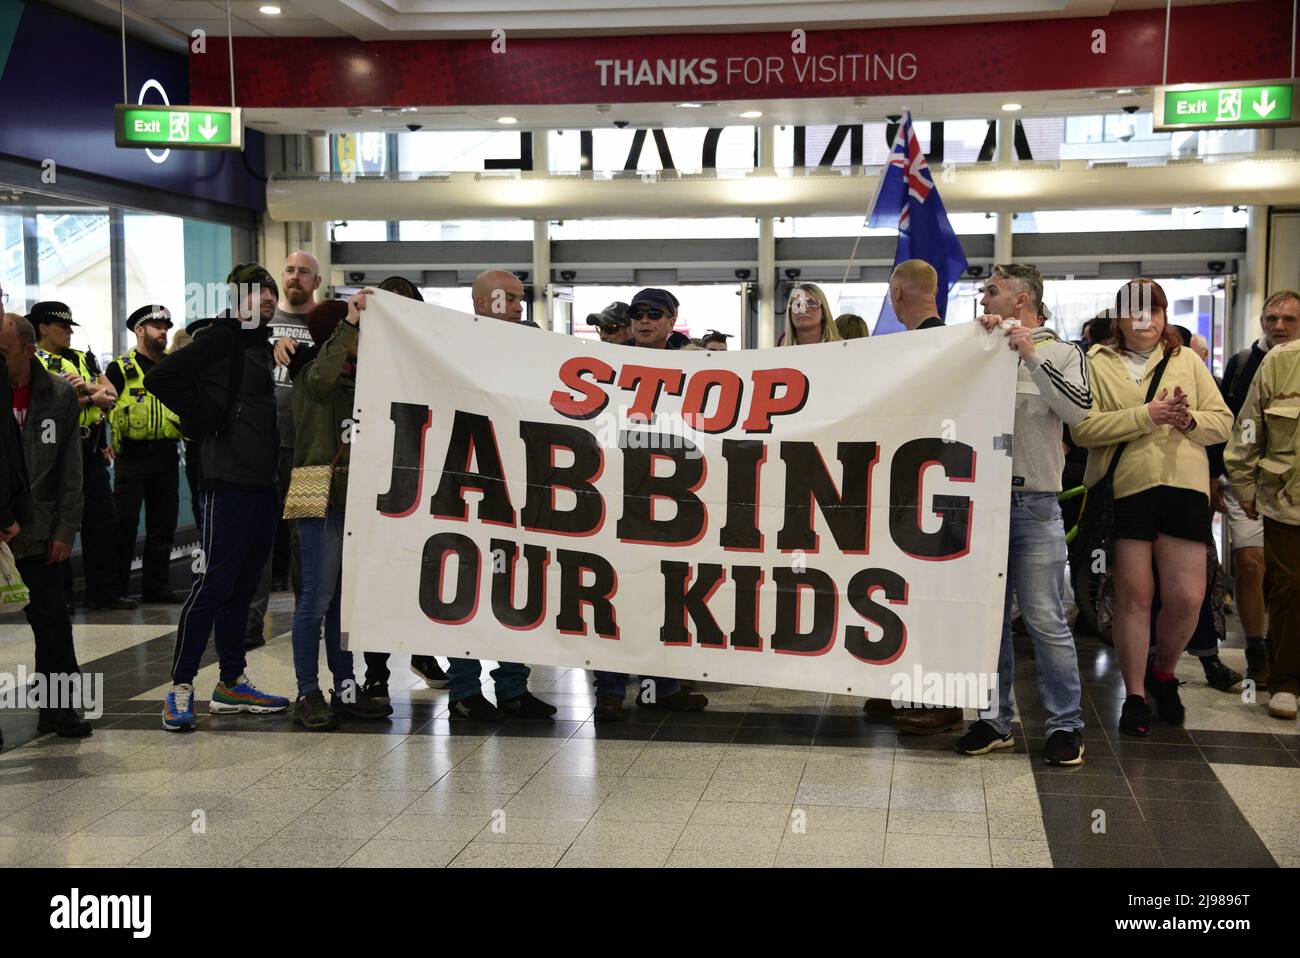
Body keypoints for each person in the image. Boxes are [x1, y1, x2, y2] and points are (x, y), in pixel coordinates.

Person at [1070, 279, 1233, 736]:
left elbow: (1223, 422)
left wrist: (1188, 419)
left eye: (1155, 312)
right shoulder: (1096, 362)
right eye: (1137, 312)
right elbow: (1084, 430)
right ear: (1119, 318)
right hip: (1127, 488)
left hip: (1184, 487)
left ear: (1164, 316)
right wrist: (1148, 416)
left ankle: (1164, 671)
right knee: (1134, 597)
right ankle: (1136, 694)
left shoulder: (1186, 360)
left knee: (1187, 598)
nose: (1147, 321)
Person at [145, 264, 290, 732]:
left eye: (270, 291)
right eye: (256, 292)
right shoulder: (220, 338)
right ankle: (181, 686)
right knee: (212, 585)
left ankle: (231, 682)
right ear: (238, 297)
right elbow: (161, 378)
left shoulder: (261, 345)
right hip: (225, 481)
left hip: (262, 483)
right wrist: (208, 416)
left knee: (242, 588)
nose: (266, 298)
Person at [959, 265, 1089, 765]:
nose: (983, 298)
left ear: (1022, 300)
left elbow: (1078, 413)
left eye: (991, 290)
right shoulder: (979, 348)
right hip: (982, 506)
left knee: (1044, 620)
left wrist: (1030, 355)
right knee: (990, 621)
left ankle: (1065, 724)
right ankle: (995, 718)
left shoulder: (1062, 352)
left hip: (1034, 505)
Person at [439, 270, 557, 721]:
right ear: (483, 301)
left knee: (515, 585)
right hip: (464, 478)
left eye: (521, 299)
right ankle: (464, 690)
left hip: (517, 478)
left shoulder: (532, 342)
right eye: (511, 299)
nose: (520, 306)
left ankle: (512, 687)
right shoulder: (448, 342)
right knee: (462, 585)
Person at [594, 287, 709, 722]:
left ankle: (659, 687)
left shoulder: (696, 367)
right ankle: (608, 688)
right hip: (620, 495)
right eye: (638, 313)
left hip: (675, 499)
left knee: (667, 599)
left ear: (671, 318)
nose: (644, 320)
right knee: (613, 595)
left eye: (654, 313)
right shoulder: (612, 365)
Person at [861, 259, 961, 734]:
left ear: (896, 294)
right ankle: (903, 688)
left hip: (931, 495)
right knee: (911, 595)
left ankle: (941, 701)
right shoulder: (952, 345)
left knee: (930, 598)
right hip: (924, 490)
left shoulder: (928, 347)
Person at [288, 295, 390, 729]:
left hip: (355, 491)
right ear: (338, 333)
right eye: (356, 331)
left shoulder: (363, 376)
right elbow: (323, 379)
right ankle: (307, 692)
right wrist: (349, 321)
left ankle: (345, 688)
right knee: (317, 597)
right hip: (316, 488)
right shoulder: (311, 372)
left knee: (345, 604)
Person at [0, 312, 91, 737]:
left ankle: (60, 707)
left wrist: (64, 530)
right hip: (1, 528)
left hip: (41, 531)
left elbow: (72, 469)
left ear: (28, 350)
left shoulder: (57, 395)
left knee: (53, 622)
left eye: (4, 353)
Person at [1212, 290, 1300, 688]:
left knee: (1284, 581)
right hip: (1257, 488)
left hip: (1281, 492)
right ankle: (1260, 654)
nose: (1279, 326)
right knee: (1256, 568)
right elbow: (1238, 427)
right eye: (1272, 319)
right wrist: (1226, 480)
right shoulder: (1247, 364)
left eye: (1289, 320)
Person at [31, 301, 134, 612]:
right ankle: (59, 596)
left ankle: (103, 592)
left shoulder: (81, 358)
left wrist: (87, 387)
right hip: (55, 449)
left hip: (90, 449)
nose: (68, 333)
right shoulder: (36, 360)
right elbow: (50, 404)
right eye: (61, 327)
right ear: (43, 328)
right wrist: (92, 399)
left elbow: (112, 394)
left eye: (69, 327)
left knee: (101, 520)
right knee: (56, 523)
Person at [245, 251, 319, 650]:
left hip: (309, 451)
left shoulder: (328, 323)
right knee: (259, 535)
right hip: (263, 448)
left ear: (316, 281)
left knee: (304, 540)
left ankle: (308, 618)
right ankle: (251, 619)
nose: (294, 277)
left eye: (303, 272)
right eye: (289, 270)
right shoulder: (262, 325)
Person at [106, 305, 183, 604]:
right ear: (139, 330)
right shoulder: (120, 368)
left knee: (163, 525)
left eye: (165, 327)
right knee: (123, 524)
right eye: (156, 327)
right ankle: (116, 590)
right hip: (132, 458)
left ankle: (157, 587)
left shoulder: (173, 365)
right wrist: (104, 443)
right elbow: (105, 408)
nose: (163, 332)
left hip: (166, 454)